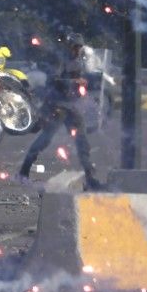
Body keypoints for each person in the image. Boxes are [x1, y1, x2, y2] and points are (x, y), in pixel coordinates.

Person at [18, 31, 102, 190]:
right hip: (57, 105)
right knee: (45, 139)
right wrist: (73, 81)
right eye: (75, 47)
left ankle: (90, 178)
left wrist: (86, 82)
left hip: (72, 106)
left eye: (79, 47)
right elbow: (54, 80)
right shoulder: (60, 60)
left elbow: (86, 78)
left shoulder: (79, 59)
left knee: (82, 142)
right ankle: (24, 171)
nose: (77, 50)